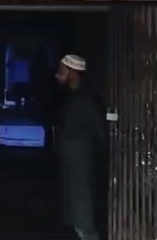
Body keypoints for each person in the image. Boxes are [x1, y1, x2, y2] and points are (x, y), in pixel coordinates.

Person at [54, 54, 105, 240]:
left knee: (84, 218)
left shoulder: (86, 99)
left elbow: (100, 131)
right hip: (74, 166)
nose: (58, 74)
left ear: (73, 73)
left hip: (82, 168)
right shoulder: (71, 97)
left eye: (62, 70)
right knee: (78, 215)